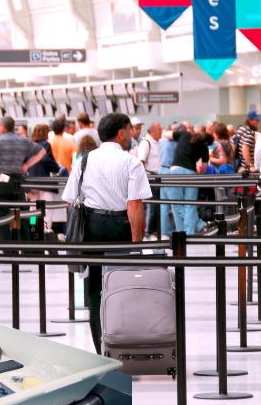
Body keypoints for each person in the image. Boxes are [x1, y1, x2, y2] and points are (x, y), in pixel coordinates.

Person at [62, 113, 152, 354]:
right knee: (121, 287)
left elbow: (70, 200)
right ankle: (121, 348)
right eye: (130, 131)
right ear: (121, 133)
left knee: (94, 291)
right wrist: (136, 244)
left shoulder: (83, 160)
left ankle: (100, 349)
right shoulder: (130, 162)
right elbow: (134, 205)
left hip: (91, 226)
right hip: (119, 225)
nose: (133, 136)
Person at [0, 116, 45, 239]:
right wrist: (26, 165)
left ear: (2, 127)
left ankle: (8, 248)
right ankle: (26, 248)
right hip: (18, 181)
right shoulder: (22, 140)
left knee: (0, 216)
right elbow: (41, 151)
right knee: (22, 214)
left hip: (1, 182)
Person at [164, 128, 212, 234]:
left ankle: (181, 233)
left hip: (175, 171)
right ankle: (191, 231)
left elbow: (166, 134)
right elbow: (204, 167)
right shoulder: (204, 147)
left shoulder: (184, 134)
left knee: (176, 204)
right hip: (191, 173)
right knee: (190, 204)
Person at [137, 123, 162, 239]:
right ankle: (147, 231)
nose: (161, 132)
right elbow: (140, 162)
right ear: (152, 131)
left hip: (158, 178)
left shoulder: (158, 142)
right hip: (150, 178)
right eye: (159, 130)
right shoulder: (145, 143)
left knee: (157, 206)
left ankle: (154, 230)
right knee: (151, 206)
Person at [158, 123, 180, 239]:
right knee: (175, 204)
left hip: (161, 171)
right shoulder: (176, 143)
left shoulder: (161, 141)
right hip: (171, 172)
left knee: (164, 205)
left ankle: (165, 231)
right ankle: (180, 231)